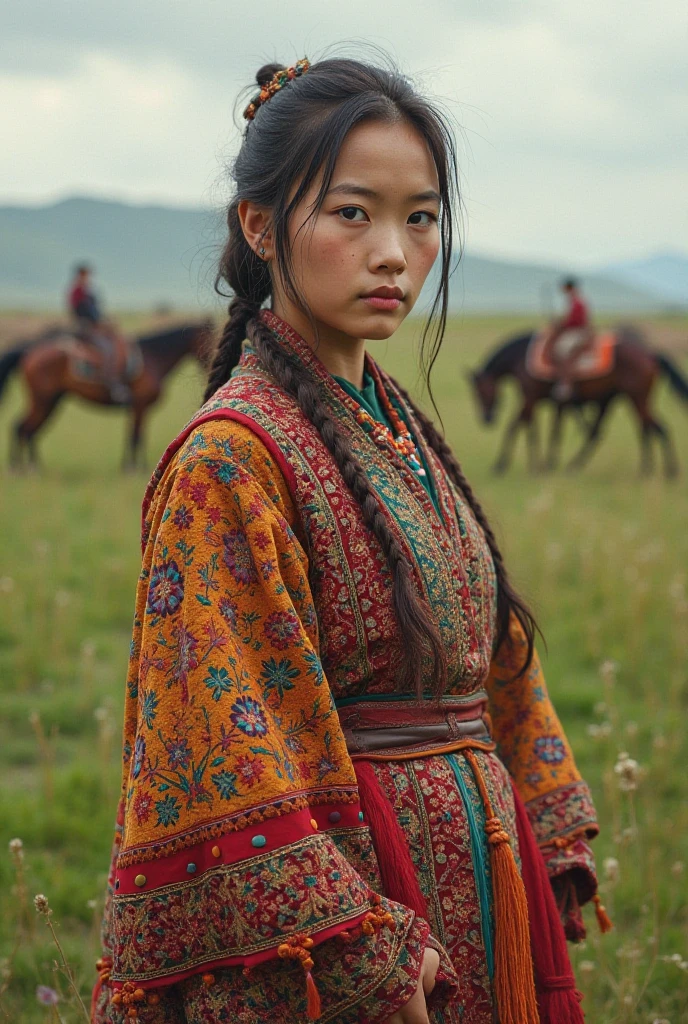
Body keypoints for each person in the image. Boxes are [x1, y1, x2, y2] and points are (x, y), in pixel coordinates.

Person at [93, 57, 604, 1024]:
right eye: (352, 213)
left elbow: (484, 652)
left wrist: (539, 818)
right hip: (358, 919)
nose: (395, 254)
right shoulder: (229, 463)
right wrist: (356, 943)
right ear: (259, 224)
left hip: (486, 882)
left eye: (421, 217)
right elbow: (228, 738)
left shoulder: (400, 427)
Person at [67, 264, 131, 404]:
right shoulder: (77, 292)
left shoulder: (88, 291)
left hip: (95, 326)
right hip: (85, 327)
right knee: (106, 348)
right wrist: (99, 323)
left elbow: (96, 311)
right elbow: (83, 312)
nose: (87, 278)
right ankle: (110, 382)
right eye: (84, 275)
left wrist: (104, 322)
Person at [541, 278, 595, 400]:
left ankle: (565, 383)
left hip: (578, 332)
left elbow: (574, 321)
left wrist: (560, 325)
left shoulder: (577, 302)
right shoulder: (573, 301)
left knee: (561, 350)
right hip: (575, 330)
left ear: (569, 288)